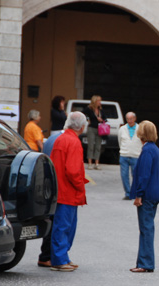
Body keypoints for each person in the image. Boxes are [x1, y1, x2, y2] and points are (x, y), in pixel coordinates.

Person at [49, 112, 89, 272]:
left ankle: (61, 256)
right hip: (68, 191)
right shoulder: (73, 142)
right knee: (65, 226)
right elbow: (73, 171)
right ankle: (59, 259)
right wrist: (80, 186)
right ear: (81, 126)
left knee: (62, 225)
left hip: (60, 189)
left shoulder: (61, 139)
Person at [129, 121, 159, 273]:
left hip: (147, 194)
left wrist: (139, 195)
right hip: (155, 192)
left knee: (146, 228)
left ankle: (145, 263)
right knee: (147, 227)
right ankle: (144, 261)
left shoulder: (147, 151)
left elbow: (144, 175)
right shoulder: (155, 149)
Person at [37, 128, 65, 268]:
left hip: (47, 183)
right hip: (57, 185)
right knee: (56, 221)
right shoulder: (62, 140)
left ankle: (45, 255)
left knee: (50, 218)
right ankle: (46, 256)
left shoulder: (51, 139)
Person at [118, 112, 143, 200]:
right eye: (128, 119)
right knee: (124, 175)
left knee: (135, 175)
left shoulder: (140, 128)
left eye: (131, 119)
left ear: (135, 119)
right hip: (124, 155)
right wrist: (123, 150)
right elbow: (119, 140)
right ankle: (128, 193)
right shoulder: (122, 129)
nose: (129, 121)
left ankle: (135, 192)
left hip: (136, 155)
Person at [81, 95, 105, 170]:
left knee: (98, 146)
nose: (100, 102)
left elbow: (105, 117)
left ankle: (97, 163)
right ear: (95, 101)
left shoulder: (100, 110)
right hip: (91, 128)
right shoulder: (89, 109)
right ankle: (90, 163)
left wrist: (102, 119)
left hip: (100, 129)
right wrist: (88, 119)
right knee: (91, 146)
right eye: (98, 101)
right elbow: (82, 114)